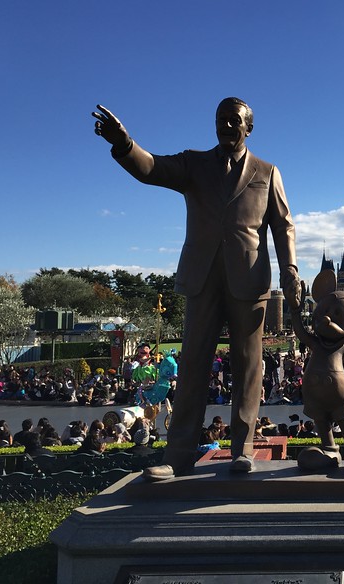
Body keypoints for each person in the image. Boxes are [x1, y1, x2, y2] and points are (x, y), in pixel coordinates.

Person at [93, 97, 301, 481]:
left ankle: (243, 448)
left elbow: (283, 225)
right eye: (220, 119)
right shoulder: (194, 164)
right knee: (192, 365)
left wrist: (290, 267)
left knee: (248, 367)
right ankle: (179, 453)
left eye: (233, 120)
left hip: (249, 280)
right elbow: (151, 168)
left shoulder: (268, 172)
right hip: (202, 277)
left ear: (248, 128)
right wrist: (123, 143)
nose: (225, 125)